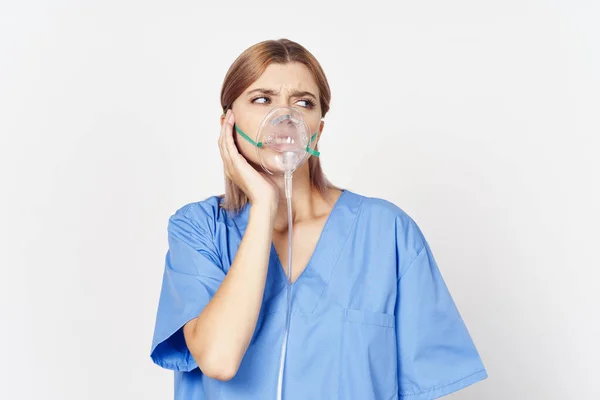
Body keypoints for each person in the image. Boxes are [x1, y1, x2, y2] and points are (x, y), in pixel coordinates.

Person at [150, 38, 488, 399]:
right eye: (262, 99)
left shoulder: (387, 233)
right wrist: (264, 204)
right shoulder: (198, 229)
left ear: (318, 129)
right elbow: (219, 359)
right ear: (227, 123)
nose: (284, 118)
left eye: (303, 103)